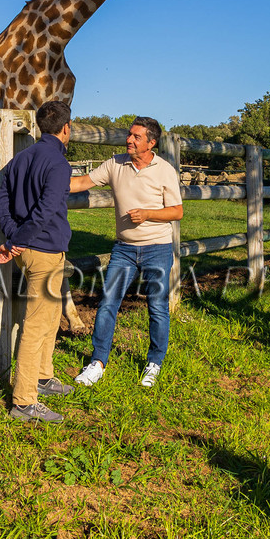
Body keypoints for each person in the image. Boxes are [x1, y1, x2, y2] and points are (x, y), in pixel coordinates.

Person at [68, 116, 183, 389]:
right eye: (129, 135)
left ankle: (154, 363)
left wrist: (148, 215)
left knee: (156, 307)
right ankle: (97, 362)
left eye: (136, 137)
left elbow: (177, 211)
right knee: (108, 302)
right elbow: (82, 182)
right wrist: (45, 179)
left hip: (158, 248)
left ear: (151, 143)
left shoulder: (164, 170)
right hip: (124, 250)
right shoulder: (115, 164)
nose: (129, 140)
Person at [0, 99, 77, 423]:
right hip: (41, 250)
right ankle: (24, 401)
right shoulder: (58, 165)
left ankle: (43, 376)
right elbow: (43, 213)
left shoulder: (19, 159)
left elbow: (1, 200)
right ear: (66, 129)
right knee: (36, 325)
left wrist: (14, 237)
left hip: (29, 248)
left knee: (51, 317)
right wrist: (18, 241)